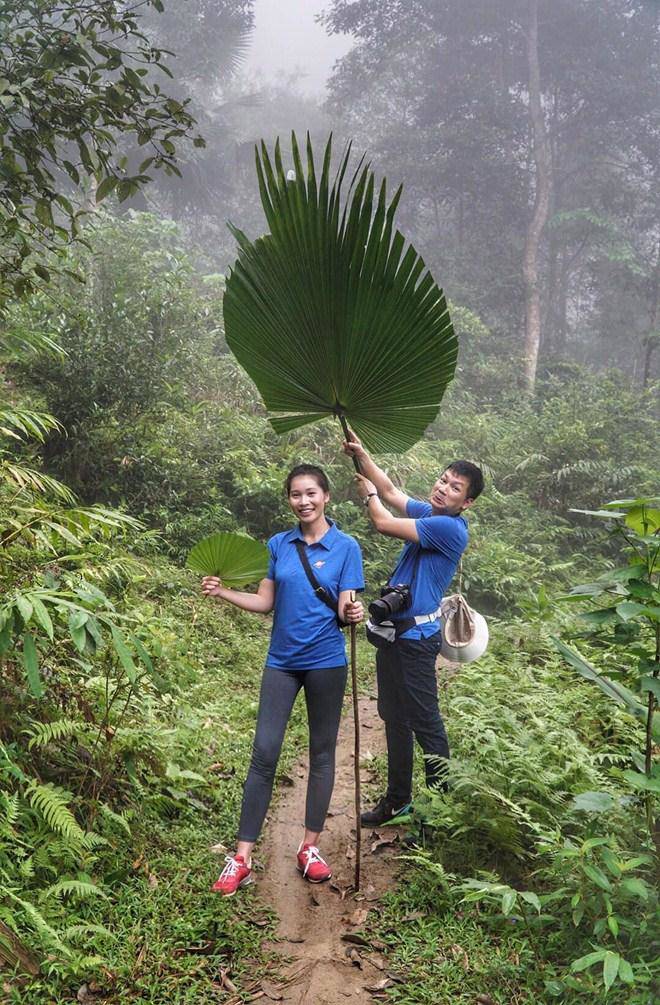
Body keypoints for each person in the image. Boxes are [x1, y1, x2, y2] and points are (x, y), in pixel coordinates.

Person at [202, 464, 365, 896]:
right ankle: (242, 857)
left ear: (326, 496)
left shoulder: (347, 547)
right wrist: (222, 592)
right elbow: (264, 602)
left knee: (322, 753)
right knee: (264, 751)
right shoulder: (278, 544)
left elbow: (344, 608)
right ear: (290, 499)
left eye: (311, 493)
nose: (304, 501)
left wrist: (353, 613)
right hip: (282, 662)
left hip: (327, 662)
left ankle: (309, 848)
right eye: (296, 494)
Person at [343, 433, 483, 826]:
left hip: (418, 642)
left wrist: (367, 495)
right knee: (394, 718)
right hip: (394, 634)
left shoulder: (451, 529)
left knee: (427, 724)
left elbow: (382, 520)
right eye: (443, 480)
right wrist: (363, 453)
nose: (444, 488)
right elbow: (390, 490)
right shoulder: (430, 514)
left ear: (466, 502)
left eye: (455, 488)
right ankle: (398, 800)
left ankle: (437, 813)